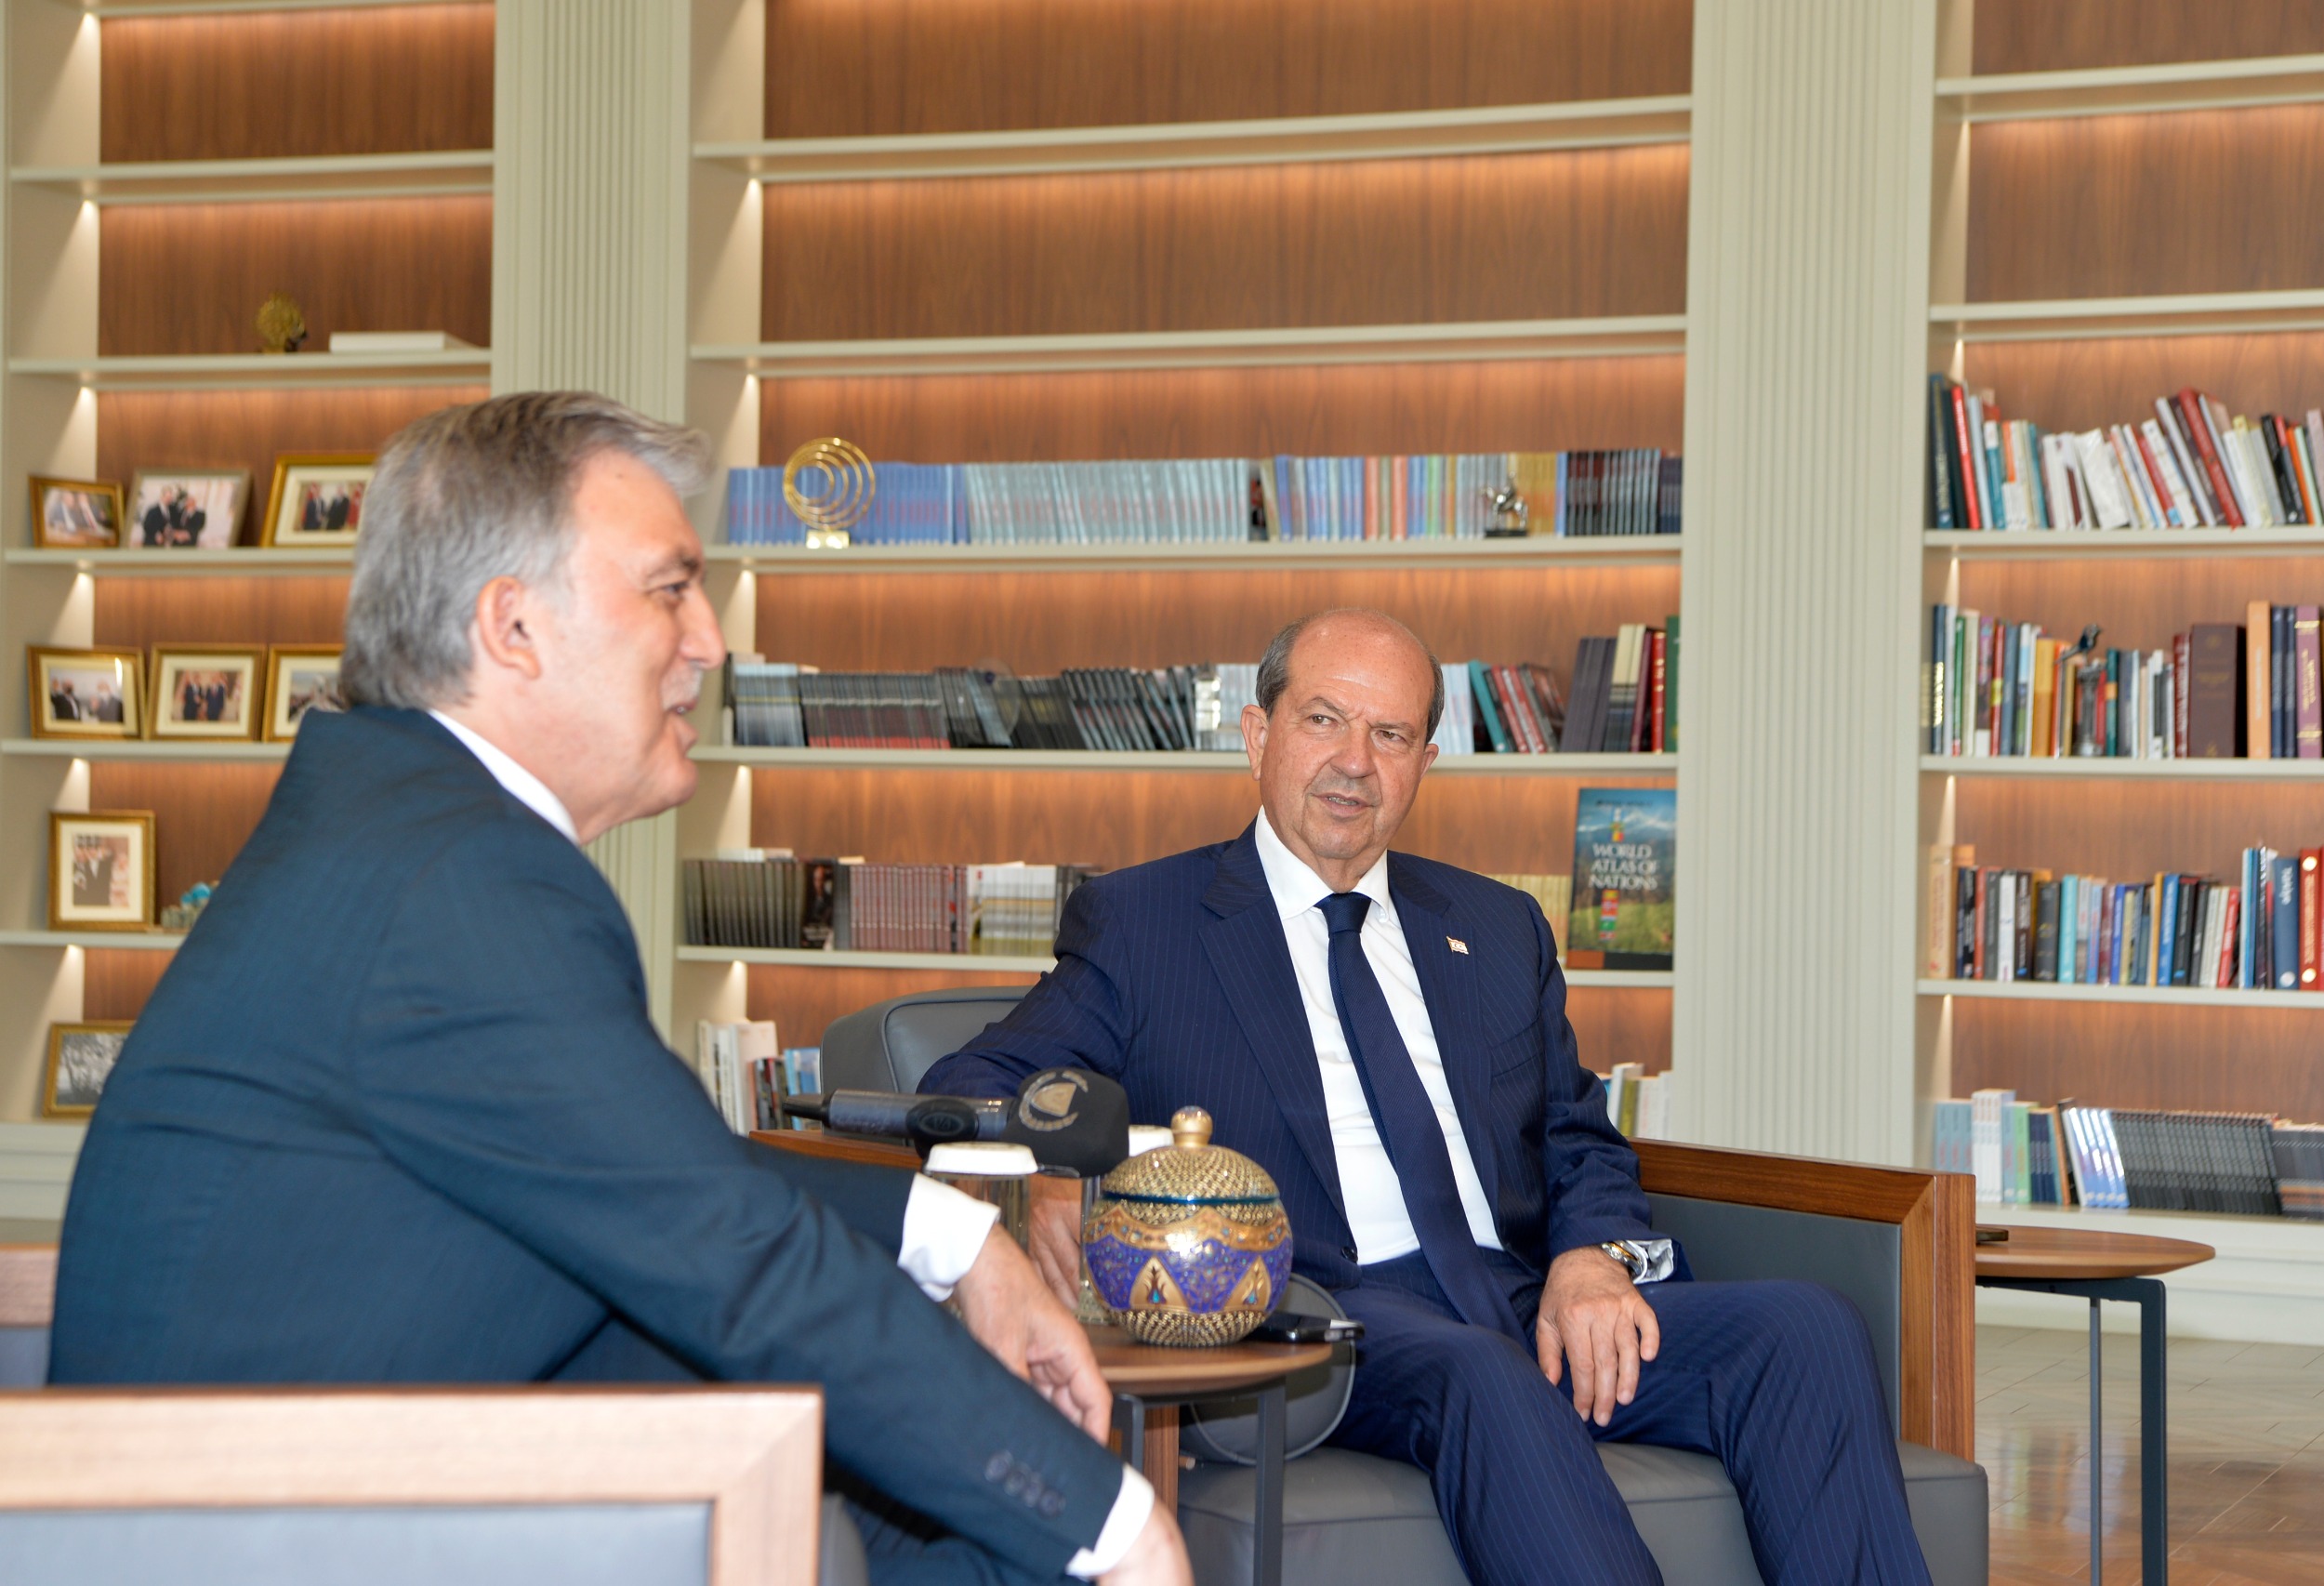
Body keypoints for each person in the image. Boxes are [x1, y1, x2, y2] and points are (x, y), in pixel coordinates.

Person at [47, 392, 1190, 1586]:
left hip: (341, 1474)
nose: (708, 640)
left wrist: (956, 1239)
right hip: (274, 1535)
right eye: (668, 589)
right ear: (513, 627)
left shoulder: (398, 821)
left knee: (957, 1524)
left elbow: (652, 1168)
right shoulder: (461, 877)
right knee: (1039, 1537)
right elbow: (730, 1250)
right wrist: (1123, 1528)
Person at [926, 609, 1934, 1586]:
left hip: (1520, 1298)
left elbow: (1577, 1132)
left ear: (1425, 763)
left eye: (1391, 734)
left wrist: (1593, 1255)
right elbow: (974, 1084)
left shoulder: (1495, 926)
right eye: (1324, 719)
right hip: (1325, 1311)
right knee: (1481, 1373)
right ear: (1258, 734)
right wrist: (1044, 1178)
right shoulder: (1147, 921)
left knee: (1804, 1328)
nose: (1354, 761)